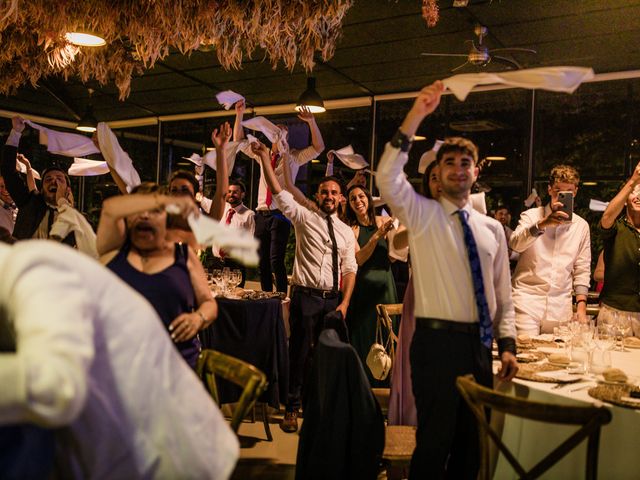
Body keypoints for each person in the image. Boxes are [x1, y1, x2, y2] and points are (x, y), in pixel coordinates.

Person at [0, 240, 238, 478]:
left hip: (164, 378)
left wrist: (197, 319)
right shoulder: (113, 258)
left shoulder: (36, 274)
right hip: (116, 379)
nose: (145, 216)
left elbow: (57, 384)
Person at [376, 80, 517, 479]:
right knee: (434, 445)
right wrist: (416, 114)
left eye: (465, 163)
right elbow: (387, 176)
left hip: (480, 347)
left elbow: (503, 297)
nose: (458, 170)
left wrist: (508, 346)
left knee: (472, 450)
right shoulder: (422, 216)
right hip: (435, 345)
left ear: (475, 173)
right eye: (449, 164)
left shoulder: (492, 230)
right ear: (437, 174)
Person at [250, 140, 357, 434]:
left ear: (341, 198)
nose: (329, 196)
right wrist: (263, 158)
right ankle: (292, 407)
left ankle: (318, 407)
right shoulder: (304, 218)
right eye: (325, 191)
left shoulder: (347, 232)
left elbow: (350, 270)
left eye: (335, 192)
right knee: (298, 353)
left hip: (332, 301)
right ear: (318, 195)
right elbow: (280, 193)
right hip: (305, 297)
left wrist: (344, 304)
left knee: (326, 356)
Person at [96, 183, 217, 368]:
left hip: (176, 369)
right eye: (137, 209)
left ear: (167, 217)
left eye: (154, 211)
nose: (144, 215)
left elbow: (209, 304)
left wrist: (197, 318)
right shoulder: (113, 251)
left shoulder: (183, 255)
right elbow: (110, 208)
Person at [234, 100, 325, 293]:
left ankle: (282, 296)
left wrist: (311, 123)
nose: (282, 136)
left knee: (276, 260)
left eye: (286, 134)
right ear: (270, 135)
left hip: (280, 215)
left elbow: (318, 147)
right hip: (261, 214)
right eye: (278, 133)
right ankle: (267, 295)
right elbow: (239, 142)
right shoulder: (262, 154)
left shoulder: (292, 157)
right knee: (262, 261)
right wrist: (239, 115)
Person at [510, 164, 591, 334]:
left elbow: (582, 269)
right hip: (526, 302)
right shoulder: (531, 216)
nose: (560, 196)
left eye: (567, 192)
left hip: (560, 308)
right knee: (526, 354)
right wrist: (543, 224)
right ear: (549, 190)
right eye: (557, 191)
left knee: (557, 358)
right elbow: (515, 244)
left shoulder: (581, 226)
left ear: (575, 192)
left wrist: (581, 308)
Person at [344, 184, 397, 387]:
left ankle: (388, 386)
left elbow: (394, 255)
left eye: (361, 197)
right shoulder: (352, 230)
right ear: (349, 205)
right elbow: (359, 259)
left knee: (387, 335)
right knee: (365, 337)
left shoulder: (384, 220)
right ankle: (364, 386)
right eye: (353, 199)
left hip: (386, 287)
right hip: (364, 291)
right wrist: (376, 236)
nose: (358, 201)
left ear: (368, 199)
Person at [1, 117, 76, 245]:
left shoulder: (75, 219)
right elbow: (8, 171)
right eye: (48, 179)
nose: (54, 182)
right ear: (42, 188)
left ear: (68, 189)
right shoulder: (29, 202)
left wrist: (62, 203)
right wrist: (16, 132)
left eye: (59, 179)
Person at [597, 161, 640, 336]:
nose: (638, 196)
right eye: (634, 193)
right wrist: (633, 181)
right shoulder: (616, 228)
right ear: (625, 200)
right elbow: (606, 217)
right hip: (614, 312)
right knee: (610, 362)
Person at [211, 179, 255, 287]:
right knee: (216, 297)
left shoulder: (249, 214)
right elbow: (203, 201)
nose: (231, 194)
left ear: (243, 194)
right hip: (217, 263)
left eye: (235, 192)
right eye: (229, 191)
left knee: (235, 297)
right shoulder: (222, 208)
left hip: (236, 264)